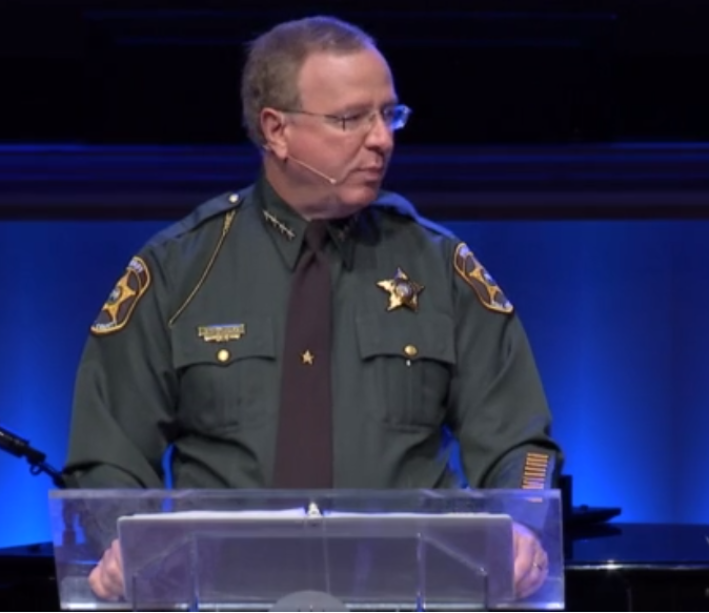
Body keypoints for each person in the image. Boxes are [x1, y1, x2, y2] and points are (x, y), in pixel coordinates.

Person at [63, 14, 564, 605]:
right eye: (352, 119)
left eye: (390, 114)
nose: (382, 139)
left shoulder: (440, 266)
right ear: (276, 130)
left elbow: (522, 446)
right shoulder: (180, 271)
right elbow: (107, 457)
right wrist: (122, 542)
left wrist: (523, 523)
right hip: (228, 599)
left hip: (410, 596)